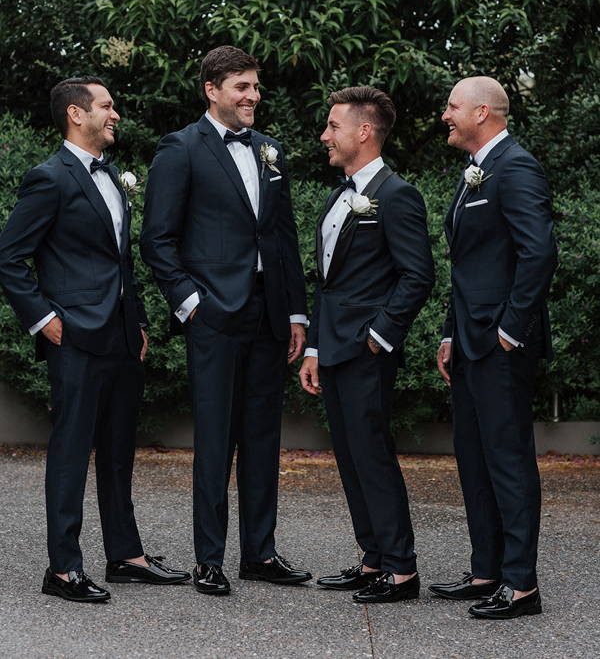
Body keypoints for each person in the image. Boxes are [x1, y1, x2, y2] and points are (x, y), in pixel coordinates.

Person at [0, 77, 189, 603]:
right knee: (70, 451)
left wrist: (139, 322)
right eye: (107, 106)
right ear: (76, 114)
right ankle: (63, 569)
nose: (116, 114)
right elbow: (9, 257)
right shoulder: (49, 178)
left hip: (122, 335)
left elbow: (119, 260)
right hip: (75, 337)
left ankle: (125, 556)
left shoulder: (111, 176)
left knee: (118, 449)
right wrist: (44, 319)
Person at [141, 46, 311, 596]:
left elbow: (282, 236)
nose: (253, 96)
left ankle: (259, 553)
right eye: (242, 86)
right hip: (213, 315)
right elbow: (157, 239)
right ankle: (208, 560)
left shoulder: (269, 150)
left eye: (255, 86)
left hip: (268, 315)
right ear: (211, 90)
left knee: (262, 439)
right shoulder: (180, 148)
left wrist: (295, 312)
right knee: (214, 441)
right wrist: (192, 303)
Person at [299, 86, 435, 603]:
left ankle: (401, 570)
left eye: (333, 126)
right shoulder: (340, 195)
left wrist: (379, 337)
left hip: (366, 351)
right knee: (351, 457)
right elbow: (328, 284)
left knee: (372, 455)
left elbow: (417, 275)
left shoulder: (397, 195)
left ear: (364, 131)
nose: (324, 136)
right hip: (333, 348)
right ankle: (373, 557)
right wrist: (315, 347)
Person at [430, 76, 557, 619]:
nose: (445, 115)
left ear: (482, 112)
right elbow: (468, 265)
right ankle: (487, 570)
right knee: (474, 458)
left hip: (501, 344)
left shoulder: (517, 167)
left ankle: (521, 584)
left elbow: (539, 253)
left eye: (453, 106)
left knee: (507, 461)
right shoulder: (475, 172)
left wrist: (509, 329)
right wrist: (450, 332)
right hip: (469, 341)